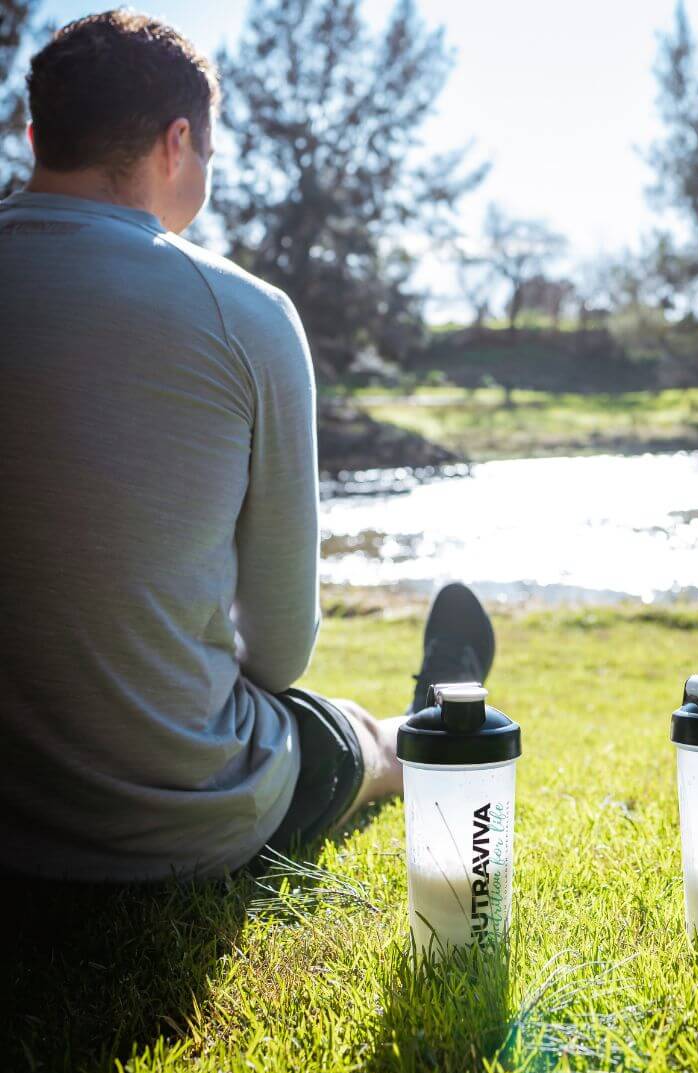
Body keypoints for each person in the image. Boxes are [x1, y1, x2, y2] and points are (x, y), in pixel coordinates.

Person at [0, 11, 495, 881]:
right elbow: (276, 653)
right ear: (178, 141)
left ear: (37, 135)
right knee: (343, 733)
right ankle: (422, 725)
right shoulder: (246, 316)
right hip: (176, 817)